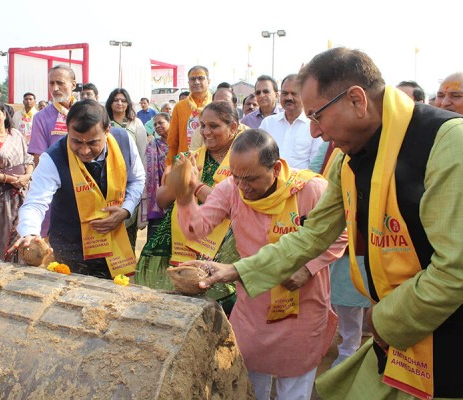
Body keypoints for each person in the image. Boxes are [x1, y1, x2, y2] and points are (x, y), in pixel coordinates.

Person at [197, 47, 463, 400]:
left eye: (318, 117)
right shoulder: (347, 162)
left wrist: (385, 321)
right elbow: (312, 236)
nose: (316, 132)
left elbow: (454, 269)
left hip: (442, 330)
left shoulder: (446, 143)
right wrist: (236, 271)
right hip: (400, 330)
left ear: (356, 100)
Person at [173, 129, 346, 400]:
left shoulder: (310, 190)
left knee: (296, 387)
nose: (243, 186)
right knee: (249, 384)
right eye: (237, 176)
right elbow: (197, 228)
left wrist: (308, 268)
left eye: (251, 178)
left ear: (276, 168)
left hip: (302, 304)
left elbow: (340, 233)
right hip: (255, 304)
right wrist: (185, 198)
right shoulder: (231, 188)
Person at [13, 99, 145, 279]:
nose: (84, 151)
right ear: (67, 131)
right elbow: (35, 202)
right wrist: (29, 232)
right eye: (76, 142)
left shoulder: (124, 140)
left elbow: (137, 179)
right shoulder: (53, 158)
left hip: (114, 246)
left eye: (92, 143)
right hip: (71, 250)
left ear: (107, 131)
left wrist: (126, 209)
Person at [135, 101, 241, 314]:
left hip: (223, 243)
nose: (206, 132)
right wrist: (179, 182)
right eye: (202, 125)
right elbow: (162, 200)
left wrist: (196, 186)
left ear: (233, 127)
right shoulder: (188, 157)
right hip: (177, 236)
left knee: (212, 307)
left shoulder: (242, 160)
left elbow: (231, 204)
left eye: (214, 126)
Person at [309, 140, 372, 368]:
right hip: (329, 225)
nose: (316, 130)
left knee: (350, 300)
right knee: (327, 297)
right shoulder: (331, 147)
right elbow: (314, 172)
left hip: (359, 233)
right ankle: (326, 344)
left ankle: (349, 349)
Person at [0, 99, 34, 261]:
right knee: (0, 238)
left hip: (23, 191)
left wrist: (27, 176)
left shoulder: (16, 134)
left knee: (23, 234)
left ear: (4, 114)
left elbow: (29, 159)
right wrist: (9, 179)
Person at [27, 64, 77, 237]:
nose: (55, 88)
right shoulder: (41, 118)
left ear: (73, 84)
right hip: (56, 190)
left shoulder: (86, 112)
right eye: (51, 83)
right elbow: (38, 159)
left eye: (60, 83)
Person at [105, 88, 149, 251]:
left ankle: (127, 262)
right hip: (108, 179)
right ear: (110, 103)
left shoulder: (135, 123)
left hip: (130, 179)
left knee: (128, 218)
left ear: (128, 104)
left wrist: (142, 184)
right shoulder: (103, 122)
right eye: (116, 100)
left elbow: (142, 152)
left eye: (123, 100)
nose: (119, 103)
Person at [260, 74, 323, 169]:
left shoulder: (314, 125)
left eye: (294, 93)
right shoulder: (268, 123)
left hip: (301, 182)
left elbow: (315, 165)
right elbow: (259, 156)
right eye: (285, 93)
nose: (289, 98)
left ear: (303, 95)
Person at [166, 65, 213, 165]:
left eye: (200, 78)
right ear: (188, 83)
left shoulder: (215, 105)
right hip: (184, 162)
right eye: (193, 79)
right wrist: (169, 166)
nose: (196, 82)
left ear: (209, 81)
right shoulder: (180, 107)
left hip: (211, 164)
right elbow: (172, 142)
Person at [144, 112, 170, 239]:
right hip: (157, 195)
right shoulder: (153, 145)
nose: (158, 126)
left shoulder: (179, 144)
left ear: (170, 123)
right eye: (155, 124)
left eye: (161, 122)